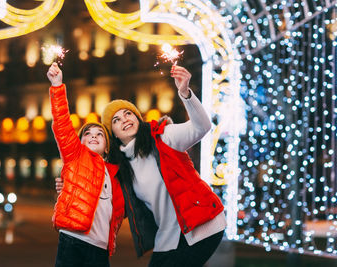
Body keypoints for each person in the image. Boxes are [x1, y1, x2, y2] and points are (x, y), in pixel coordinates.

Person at [55, 65, 226, 267]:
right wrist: (71, 189)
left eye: (128, 113)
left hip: (202, 224)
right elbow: (108, 200)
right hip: (168, 236)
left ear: (137, 117)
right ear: (114, 135)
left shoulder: (163, 137)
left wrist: (185, 93)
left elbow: (202, 127)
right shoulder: (121, 169)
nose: (124, 120)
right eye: (116, 120)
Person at [47, 63, 124, 267]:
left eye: (100, 135)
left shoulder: (115, 174)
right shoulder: (76, 156)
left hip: (100, 248)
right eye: (87, 134)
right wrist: (57, 86)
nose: (93, 136)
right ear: (78, 143)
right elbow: (62, 124)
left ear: (107, 147)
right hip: (73, 240)